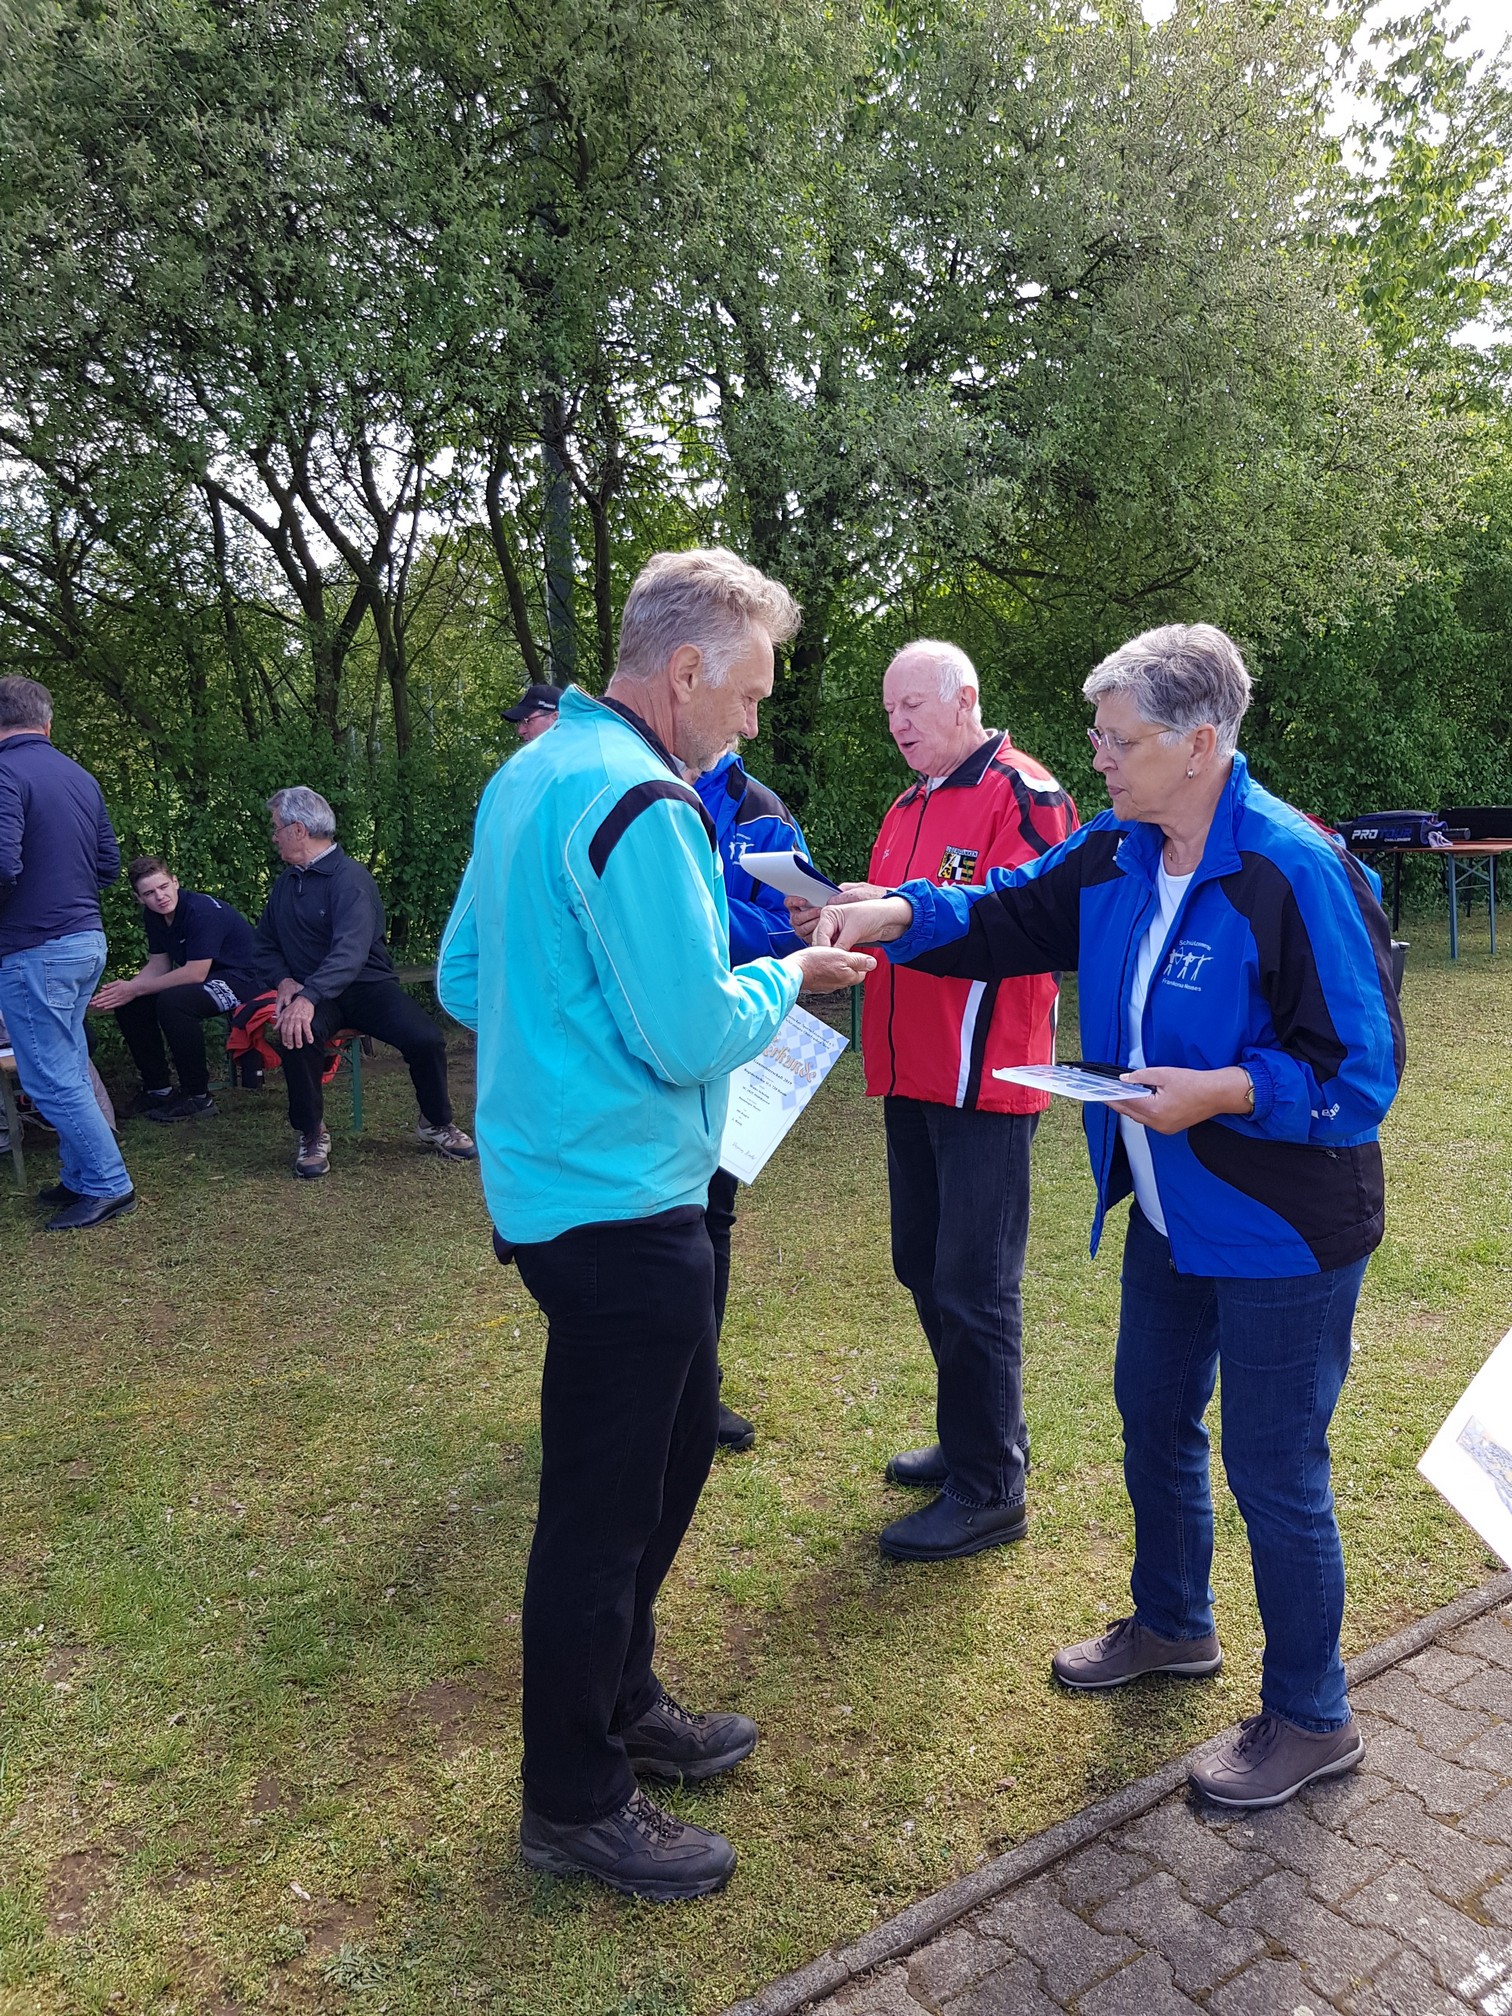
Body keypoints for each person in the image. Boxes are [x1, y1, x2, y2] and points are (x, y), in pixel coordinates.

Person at [813, 622, 1404, 1809]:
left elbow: (1362, 1073)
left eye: (1120, 740)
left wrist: (1226, 1090)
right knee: (1152, 1417)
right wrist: (895, 915)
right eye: (1098, 735)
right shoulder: (1119, 846)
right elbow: (1007, 912)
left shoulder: (1292, 868)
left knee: (1274, 1468)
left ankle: (1312, 1715)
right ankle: (1173, 1624)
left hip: (1284, 1229)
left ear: (1200, 744)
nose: (1098, 757)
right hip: (1172, 1213)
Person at [437, 548, 874, 1900]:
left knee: (672, 1452)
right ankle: (574, 1800)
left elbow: (462, 975)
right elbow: (692, 1031)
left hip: (566, 1190)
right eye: (748, 696)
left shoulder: (532, 772)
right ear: (684, 672)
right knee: (602, 1513)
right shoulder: (643, 797)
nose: (751, 723)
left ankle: (622, 1699)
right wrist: (791, 971)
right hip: (620, 1202)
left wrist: (563, 1045)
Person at [793, 641, 1077, 1562]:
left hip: (984, 1078)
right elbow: (902, 924)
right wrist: (839, 916)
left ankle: (992, 1489)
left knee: (974, 1282)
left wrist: (898, 909)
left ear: (965, 699)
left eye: (912, 705)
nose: (898, 723)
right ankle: (976, 1437)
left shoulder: (1025, 792)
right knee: (921, 1262)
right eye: (888, 710)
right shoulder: (906, 804)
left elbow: (1027, 918)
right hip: (906, 1070)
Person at [254, 787, 477, 1178]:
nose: (274, 836)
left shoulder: (350, 879)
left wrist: (307, 996)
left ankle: (436, 1123)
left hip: (367, 987)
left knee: (425, 1038)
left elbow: (350, 952)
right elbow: (264, 944)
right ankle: (311, 1132)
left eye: (277, 828)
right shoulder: (286, 884)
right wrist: (284, 980)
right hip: (314, 992)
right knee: (296, 1034)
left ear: (299, 829)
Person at [691, 743, 814, 1452]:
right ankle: (630, 1386)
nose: (749, 721)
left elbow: (796, 925)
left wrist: (698, 914)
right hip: (637, 1048)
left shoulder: (762, 811)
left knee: (710, 1218)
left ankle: (697, 1393)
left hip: (732, 1044)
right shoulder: (630, 779)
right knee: (630, 1223)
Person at [0, 675, 134, 1230]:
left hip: (35, 947)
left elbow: (2, 864)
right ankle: (80, 1176)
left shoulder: (5, 773)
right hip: (85, 940)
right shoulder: (80, 776)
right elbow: (108, 865)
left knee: (48, 1078)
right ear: (47, 722)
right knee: (69, 1067)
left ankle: (108, 1183)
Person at [90, 856, 260, 1119]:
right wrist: (125, 991)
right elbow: (159, 965)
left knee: (175, 1003)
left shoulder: (201, 911)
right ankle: (158, 1089)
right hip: (208, 978)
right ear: (139, 898)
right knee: (131, 1004)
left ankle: (197, 1096)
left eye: (163, 887)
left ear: (175, 882)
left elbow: (195, 973)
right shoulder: (155, 916)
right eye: (149, 893)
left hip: (245, 979)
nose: (160, 897)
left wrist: (135, 988)